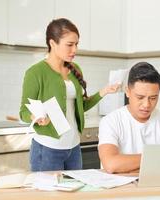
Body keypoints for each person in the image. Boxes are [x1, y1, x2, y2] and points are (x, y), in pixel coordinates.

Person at [19, 18, 119, 171]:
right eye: (70, 45)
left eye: (76, 44)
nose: (75, 50)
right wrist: (36, 117)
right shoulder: (36, 72)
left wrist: (104, 92)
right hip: (48, 149)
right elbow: (23, 112)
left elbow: (82, 106)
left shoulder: (75, 69)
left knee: (74, 194)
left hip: (73, 148)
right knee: (49, 195)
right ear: (53, 43)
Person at [98, 62, 160, 174]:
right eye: (140, 97)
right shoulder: (110, 121)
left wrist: (130, 166)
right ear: (127, 92)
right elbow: (111, 164)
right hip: (120, 188)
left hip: (156, 183)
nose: (146, 104)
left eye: (153, 98)